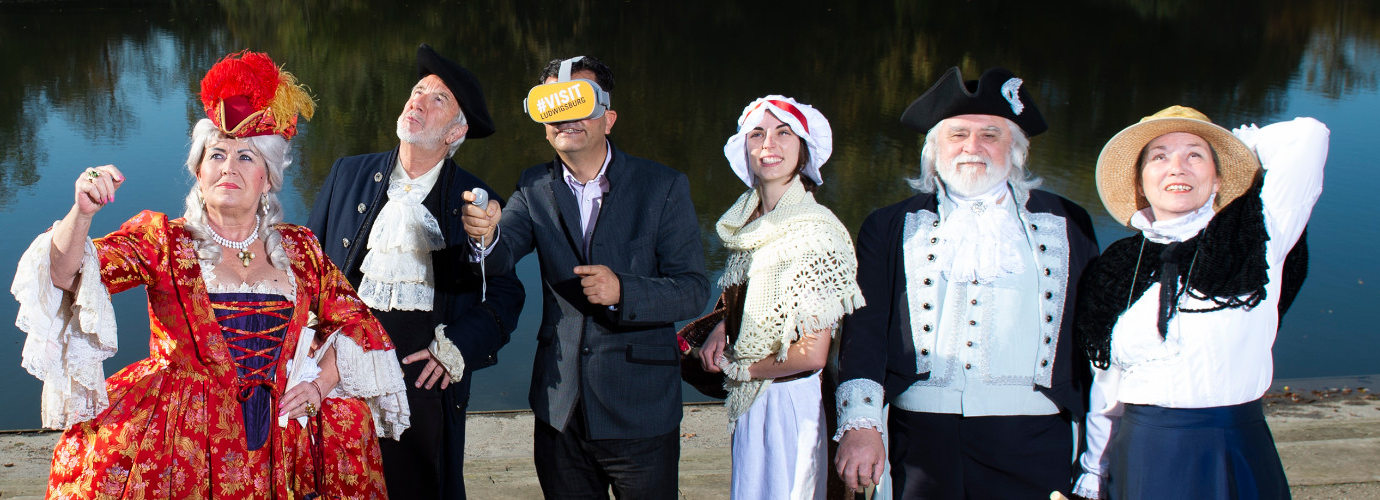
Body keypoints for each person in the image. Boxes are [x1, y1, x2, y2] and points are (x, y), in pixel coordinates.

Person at [7, 51, 408, 499]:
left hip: (280, 439)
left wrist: (319, 384)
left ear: (269, 178)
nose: (228, 168)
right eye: (216, 154)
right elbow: (66, 275)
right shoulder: (163, 241)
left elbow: (359, 324)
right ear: (199, 171)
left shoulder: (300, 250)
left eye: (246, 157)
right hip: (181, 442)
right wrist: (81, 214)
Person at [830, 67, 1100, 499]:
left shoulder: (1067, 222)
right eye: (957, 135)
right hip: (920, 434)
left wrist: (1097, 448)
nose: (973, 147)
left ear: (1015, 149)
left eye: (991, 135)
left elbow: (1093, 334)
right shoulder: (890, 224)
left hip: (1033, 434)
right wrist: (861, 425)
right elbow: (864, 333)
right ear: (934, 150)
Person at [460, 55, 712, 499]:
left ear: (608, 119)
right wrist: (486, 234)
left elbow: (693, 290)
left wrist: (623, 291)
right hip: (560, 412)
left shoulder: (664, 186)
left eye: (581, 104)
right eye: (555, 108)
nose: (567, 119)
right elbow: (501, 253)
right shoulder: (534, 185)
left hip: (641, 414)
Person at [1069, 106, 1327, 499]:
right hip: (1144, 452)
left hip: (1235, 446)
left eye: (1195, 155)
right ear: (1141, 180)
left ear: (1218, 178)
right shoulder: (1117, 269)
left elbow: (1308, 136)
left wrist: (1244, 146)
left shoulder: (1257, 240)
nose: (1177, 167)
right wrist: (1093, 467)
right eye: (1159, 157)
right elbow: (1107, 388)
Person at [305, 43, 526, 500]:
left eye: (437, 99)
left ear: (455, 131)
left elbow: (507, 294)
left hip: (419, 388)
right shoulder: (348, 174)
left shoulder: (477, 197)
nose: (417, 101)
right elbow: (307, 269)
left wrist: (457, 348)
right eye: (417, 90)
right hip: (337, 376)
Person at [687, 95, 864, 499]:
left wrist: (739, 368)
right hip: (757, 398)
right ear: (744, 149)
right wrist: (721, 324)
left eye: (784, 133)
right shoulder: (751, 223)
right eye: (758, 133)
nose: (769, 144)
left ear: (803, 149)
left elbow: (812, 355)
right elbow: (755, 300)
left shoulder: (814, 232)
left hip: (792, 402)